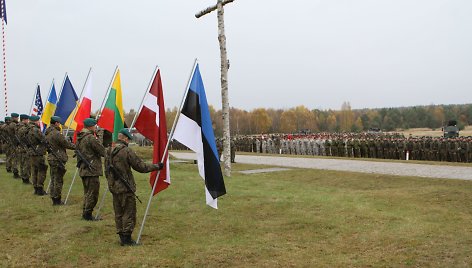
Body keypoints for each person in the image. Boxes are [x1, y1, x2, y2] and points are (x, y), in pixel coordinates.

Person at [104, 128, 163, 246]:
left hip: (114, 187)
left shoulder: (108, 150)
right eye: (128, 139)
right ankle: (127, 239)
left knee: (118, 212)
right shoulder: (126, 151)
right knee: (128, 213)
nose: (128, 141)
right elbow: (141, 167)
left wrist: (111, 183)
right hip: (126, 188)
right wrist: (157, 166)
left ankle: (121, 236)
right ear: (125, 138)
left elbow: (106, 170)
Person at [76, 118, 105, 221]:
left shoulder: (80, 137)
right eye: (95, 126)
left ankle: (85, 212)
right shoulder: (90, 138)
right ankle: (88, 214)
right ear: (91, 126)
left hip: (84, 168)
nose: (96, 127)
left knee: (87, 192)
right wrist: (100, 136)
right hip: (91, 169)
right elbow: (101, 150)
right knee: (93, 193)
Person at [45, 116, 76, 205]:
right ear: (56, 123)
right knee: (58, 180)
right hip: (57, 158)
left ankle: (53, 197)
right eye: (59, 123)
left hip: (51, 157)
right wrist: (76, 146)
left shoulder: (47, 132)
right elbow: (65, 143)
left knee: (53, 178)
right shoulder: (57, 134)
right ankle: (57, 199)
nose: (60, 124)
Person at [28, 115, 48, 195]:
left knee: (34, 170)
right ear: (35, 121)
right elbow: (43, 139)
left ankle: (35, 188)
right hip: (38, 152)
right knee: (41, 170)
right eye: (38, 121)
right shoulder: (35, 130)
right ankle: (40, 189)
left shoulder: (27, 129)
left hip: (31, 152)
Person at [17, 114, 32, 184]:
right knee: (26, 164)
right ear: (24, 120)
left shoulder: (17, 126)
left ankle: (23, 177)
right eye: (27, 119)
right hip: (24, 147)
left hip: (20, 147)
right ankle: (26, 178)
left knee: (22, 163)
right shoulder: (23, 127)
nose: (28, 121)